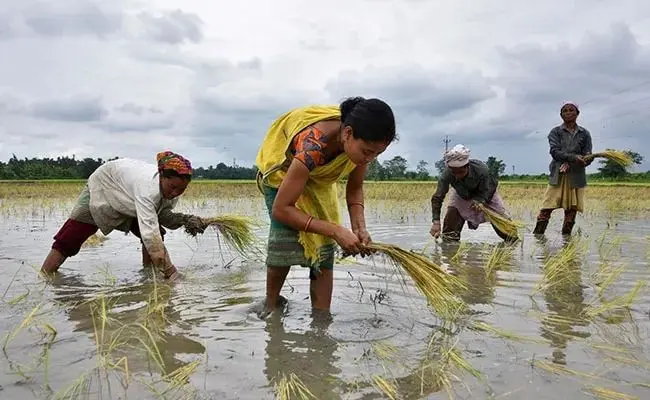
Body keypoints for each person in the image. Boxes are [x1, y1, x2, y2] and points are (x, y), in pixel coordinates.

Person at [255, 96, 397, 315]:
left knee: (323, 250)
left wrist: (359, 227)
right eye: (368, 152)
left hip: (319, 181)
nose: (370, 159)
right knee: (283, 240)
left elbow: (355, 187)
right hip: (284, 176)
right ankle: (270, 303)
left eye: (377, 154)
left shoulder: (360, 151)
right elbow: (282, 210)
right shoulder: (313, 145)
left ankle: (321, 320)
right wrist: (335, 230)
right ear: (347, 133)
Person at [40, 151, 206, 280]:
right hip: (105, 185)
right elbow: (151, 236)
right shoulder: (147, 189)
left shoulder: (168, 191)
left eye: (181, 189)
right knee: (70, 238)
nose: (175, 193)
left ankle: (149, 277)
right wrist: (171, 273)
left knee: (156, 235)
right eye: (172, 187)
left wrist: (186, 220)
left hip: (129, 197)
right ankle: (44, 277)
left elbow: (161, 215)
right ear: (161, 177)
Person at [429, 144, 517, 243]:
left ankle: (512, 239)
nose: (457, 176)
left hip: (485, 193)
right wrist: (436, 222)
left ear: (467, 167)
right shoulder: (447, 174)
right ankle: (449, 247)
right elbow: (437, 197)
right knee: (450, 229)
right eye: (454, 172)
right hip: (462, 194)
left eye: (461, 172)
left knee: (509, 233)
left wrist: (481, 201)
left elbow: (490, 187)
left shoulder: (482, 170)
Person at [533, 102, 593, 236]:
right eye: (565, 111)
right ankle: (538, 236)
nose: (568, 113)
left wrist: (586, 159)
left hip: (576, 175)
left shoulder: (584, 133)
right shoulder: (555, 132)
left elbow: (588, 153)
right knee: (547, 207)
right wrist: (573, 158)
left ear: (577, 114)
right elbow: (555, 152)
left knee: (572, 210)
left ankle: (566, 240)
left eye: (571, 110)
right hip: (558, 173)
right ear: (561, 115)